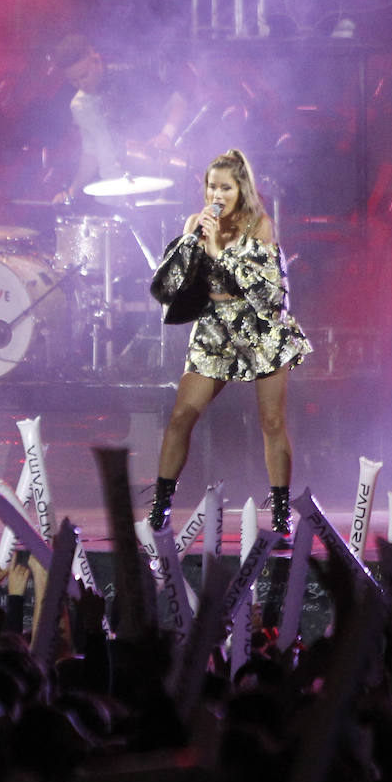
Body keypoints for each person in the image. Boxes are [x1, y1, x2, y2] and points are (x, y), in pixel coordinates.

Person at [146, 149, 312, 535]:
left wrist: (219, 249)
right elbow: (167, 285)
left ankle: (282, 511)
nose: (216, 195)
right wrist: (190, 242)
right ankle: (161, 506)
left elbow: (261, 291)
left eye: (225, 187)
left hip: (259, 326)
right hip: (214, 328)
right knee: (181, 416)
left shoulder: (260, 225)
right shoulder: (196, 223)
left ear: (241, 189)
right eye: (211, 187)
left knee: (271, 421)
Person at [49, 34, 189, 203]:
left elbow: (179, 101)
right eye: (74, 81)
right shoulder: (79, 105)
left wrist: (166, 134)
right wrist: (72, 190)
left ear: (95, 59)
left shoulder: (129, 77)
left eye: (84, 75)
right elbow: (91, 152)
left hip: (150, 189)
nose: (81, 85)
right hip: (112, 194)